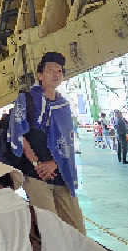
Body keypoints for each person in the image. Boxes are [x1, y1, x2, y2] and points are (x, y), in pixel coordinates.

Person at [8, 52, 85, 233]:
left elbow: (67, 142)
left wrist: (54, 164)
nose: (56, 74)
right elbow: (18, 133)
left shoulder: (64, 106)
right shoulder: (26, 99)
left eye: (59, 71)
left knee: (77, 228)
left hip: (61, 174)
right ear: (40, 75)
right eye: (50, 70)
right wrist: (37, 163)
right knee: (49, 228)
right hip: (36, 175)